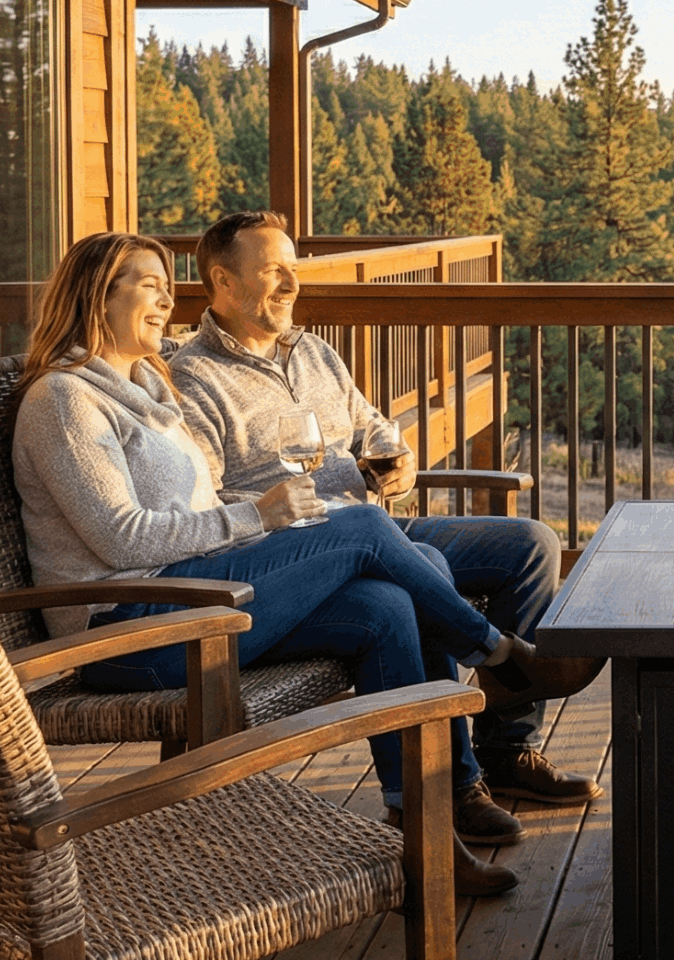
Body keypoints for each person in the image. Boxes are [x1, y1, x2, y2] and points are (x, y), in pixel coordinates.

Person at [10, 232, 540, 897]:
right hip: (127, 631)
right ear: (95, 295)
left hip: (196, 596)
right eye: (148, 285)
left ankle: (425, 828)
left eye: (168, 286)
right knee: (365, 527)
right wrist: (259, 518)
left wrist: (263, 525)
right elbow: (122, 539)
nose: (168, 300)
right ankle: (497, 653)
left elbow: (194, 507)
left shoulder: (146, 387)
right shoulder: (63, 401)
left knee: (388, 604)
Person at [168, 210, 604, 822]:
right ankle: (455, 781)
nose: (292, 284)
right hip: (301, 552)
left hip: (375, 526)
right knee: (418, 574)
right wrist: (286, 507)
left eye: (293, 269)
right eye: (273, 271)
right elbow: (207, 500)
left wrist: (394, 458)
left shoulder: (313, 351)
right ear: (223, 281)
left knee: (531, 544)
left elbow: (370, 423)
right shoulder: (193, 378)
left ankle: (508, 749)